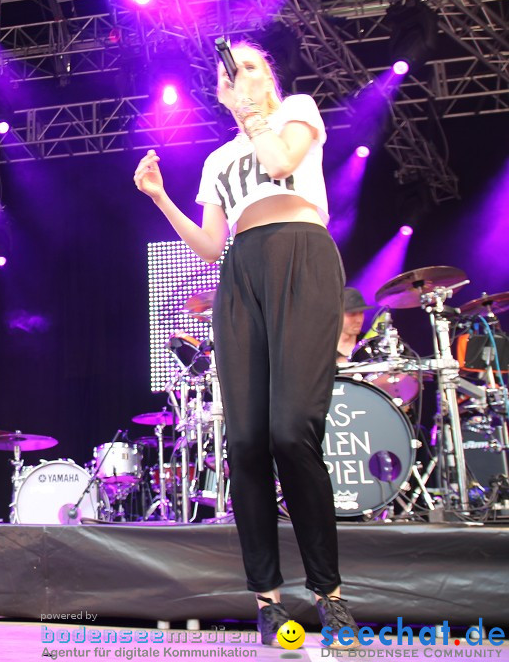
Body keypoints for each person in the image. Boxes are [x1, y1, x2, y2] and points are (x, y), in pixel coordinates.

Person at [133, 41, 358, 648]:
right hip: (240, 272)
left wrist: (256, 110)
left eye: (253, 67)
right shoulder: (218, 159)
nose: (241, 78)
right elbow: (210, 246)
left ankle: (329, 597)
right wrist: (158, 196)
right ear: (221, 92)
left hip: (302, 258)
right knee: (247, 441)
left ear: (270, 77)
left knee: (292, 430)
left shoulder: (296, 112)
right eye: (231, 75)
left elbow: (283, 165)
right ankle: (267, 601)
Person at [338, 287, 374, 361]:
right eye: (352, 314)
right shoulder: (323, 347)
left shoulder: (369, 345)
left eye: (361, 313)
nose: (359, 320)